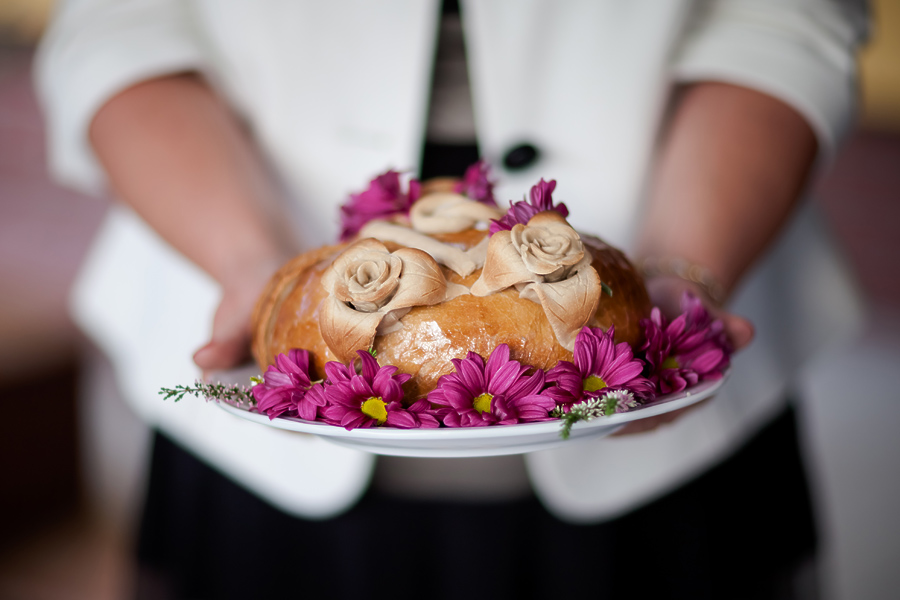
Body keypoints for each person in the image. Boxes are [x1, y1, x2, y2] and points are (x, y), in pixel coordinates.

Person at [36, 0, 867, 597]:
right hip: (251, 357)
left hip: (686, 304)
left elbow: (782, 18)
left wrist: (687, 260)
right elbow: (116, 28)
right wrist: (250, 267)